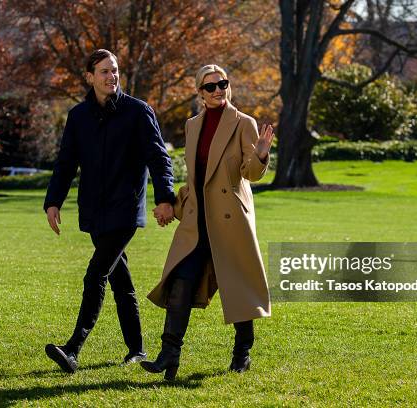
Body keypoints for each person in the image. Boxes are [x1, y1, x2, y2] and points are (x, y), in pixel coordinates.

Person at [43, 49, 175, 373]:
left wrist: (165, 197)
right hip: (94, 212)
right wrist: (53, 201)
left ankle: (72, 349)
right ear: (90, 77)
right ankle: (137, 349)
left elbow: (159, 159)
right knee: (120, 278)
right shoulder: (78, 117)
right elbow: (65, 164)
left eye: (114, 70)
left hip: (125, 210)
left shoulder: (138, 112)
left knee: (96, 274)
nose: (111, 77)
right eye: (103, 71)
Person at [141, 64, 274, 380]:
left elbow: (250, 174)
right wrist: (173, 207)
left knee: (238, 285)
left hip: (230, 218)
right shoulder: (193, 125)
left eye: (222, 84)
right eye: (210, 87)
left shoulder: (244, 123)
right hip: (197, 220)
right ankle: (168, 355)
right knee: (181, 281)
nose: (218, 91)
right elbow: (195, 180)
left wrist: (262, 153)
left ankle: (242, 353)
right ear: (200, 93)